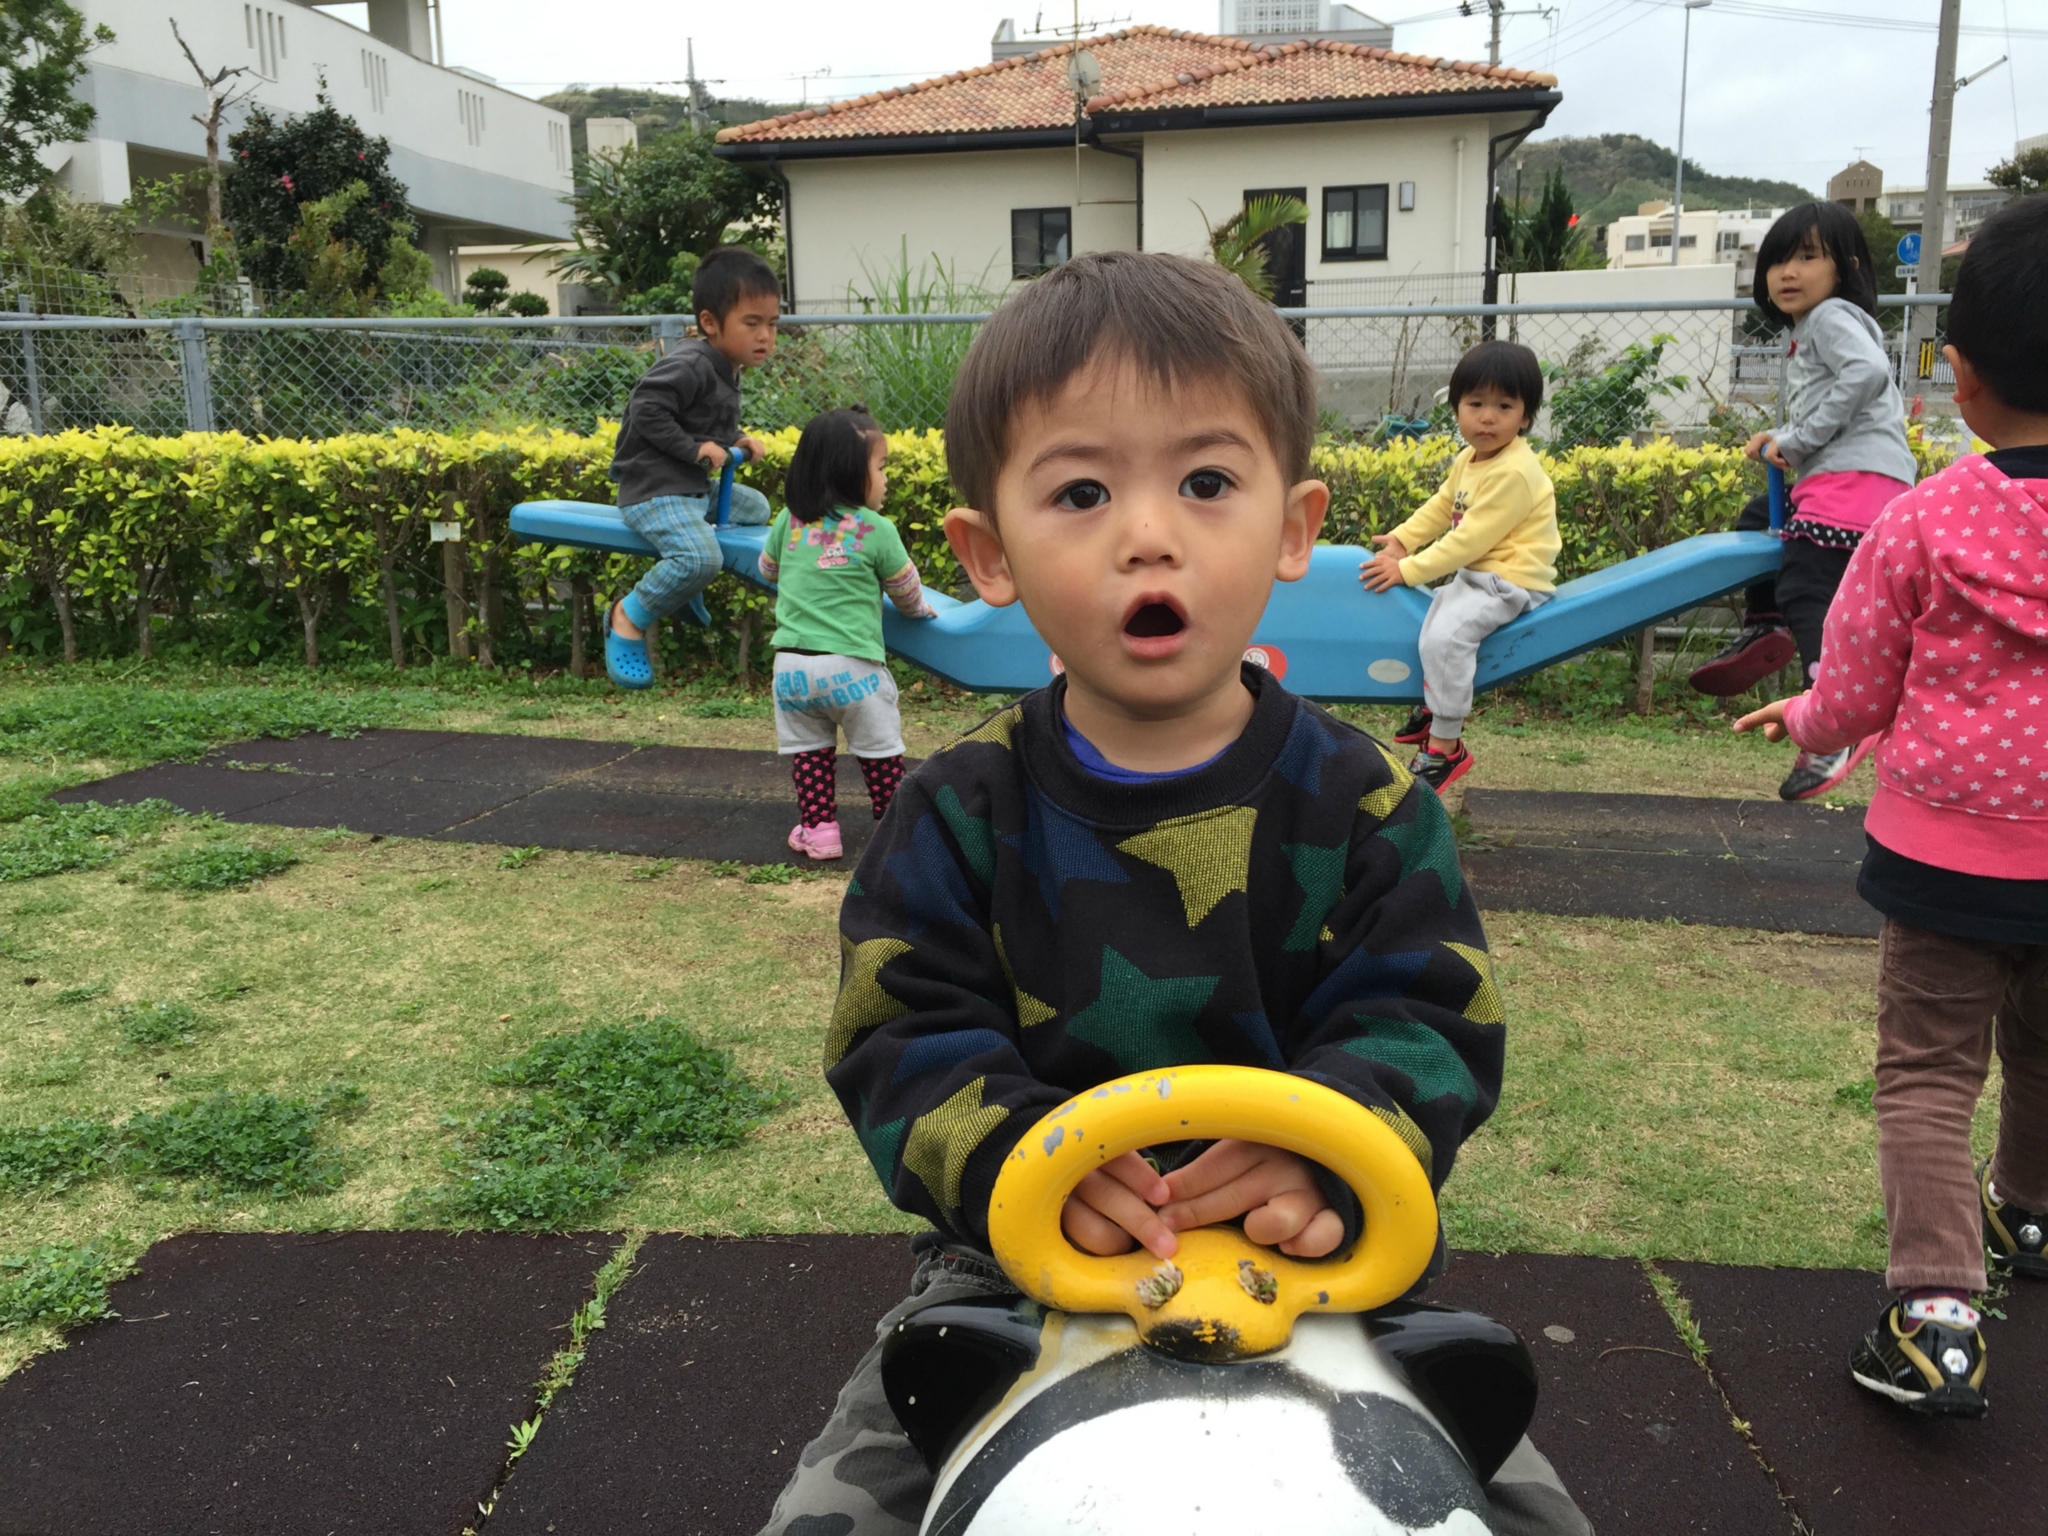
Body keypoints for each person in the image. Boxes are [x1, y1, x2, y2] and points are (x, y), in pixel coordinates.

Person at [757, 252, 1590, 1536]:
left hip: (1322, 1249)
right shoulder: (958, 812)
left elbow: (1430, 1014)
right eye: (1081, 491)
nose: (1148, 532)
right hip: (1012, 1263)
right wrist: (1008, 1164)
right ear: (987, 553)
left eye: (1206, 483)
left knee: (1519, 1512)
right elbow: (894, 1031)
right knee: (832, 1511)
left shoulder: (1366, 803)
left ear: (1294, 530)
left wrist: (1334, 1138)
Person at [1734, 196, 2048, 1419]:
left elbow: (1856, 684)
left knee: (1925, 1072)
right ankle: (2027, 1214)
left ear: (1957, 378)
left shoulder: (1924, 519)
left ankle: (1933, 1313)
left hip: (1942, 860)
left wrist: (1803, 722)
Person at [1692, 201, 1919, 802]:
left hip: (1854, 479)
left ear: (1843, 267)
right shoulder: (1813, 326)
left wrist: (1795, 439)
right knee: (1760, 525)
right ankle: (1765, 626)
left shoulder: (1830, 318)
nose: (1788, 272)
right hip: (1852, 478)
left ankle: (1833, 723)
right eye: (1777, 261)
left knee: (1809, 590)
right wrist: (1786, 441)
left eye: (1807, 257)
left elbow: (1867, 375)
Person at [1359, 340, 1560, 792]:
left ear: (1525, 417)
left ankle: (1446, 745)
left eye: (1504, 406)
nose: (1487, 417)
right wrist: (1403, 539)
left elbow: (1468, 540)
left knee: (1449, 637)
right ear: (1456, 408)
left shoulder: (1513, 472)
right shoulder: (1469, 460)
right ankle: (1435, 704)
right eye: (1475, 404)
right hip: (1480, 578)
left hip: (1513, 582)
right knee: (1432, 622)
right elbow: (1440, 507)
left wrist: (1407, 568)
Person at [758, 407, 938, 861]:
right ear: (849, 473)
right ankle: (893, 830)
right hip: (853, 668)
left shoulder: (788, 521)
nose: (885, 479)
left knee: (811, 755)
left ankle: (820, 832)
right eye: (880, 469)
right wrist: (921, 611)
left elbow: (767, 569)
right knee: (880, 755)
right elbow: (905, 589)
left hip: (792, 668)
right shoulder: (875, 529)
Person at [602, 245, 781, 689]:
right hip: (655, 488)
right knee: (702, 555)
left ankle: (682, 584)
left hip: (689, 486)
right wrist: (693, 448)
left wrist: (733, 441)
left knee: (755, 509)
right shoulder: (692, 363)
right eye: (752, 323)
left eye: (773, 324)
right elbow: (647, 408)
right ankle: (628, 615)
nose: (765, 337)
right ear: (709, 323)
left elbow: (702, 421)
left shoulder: (727, 365)